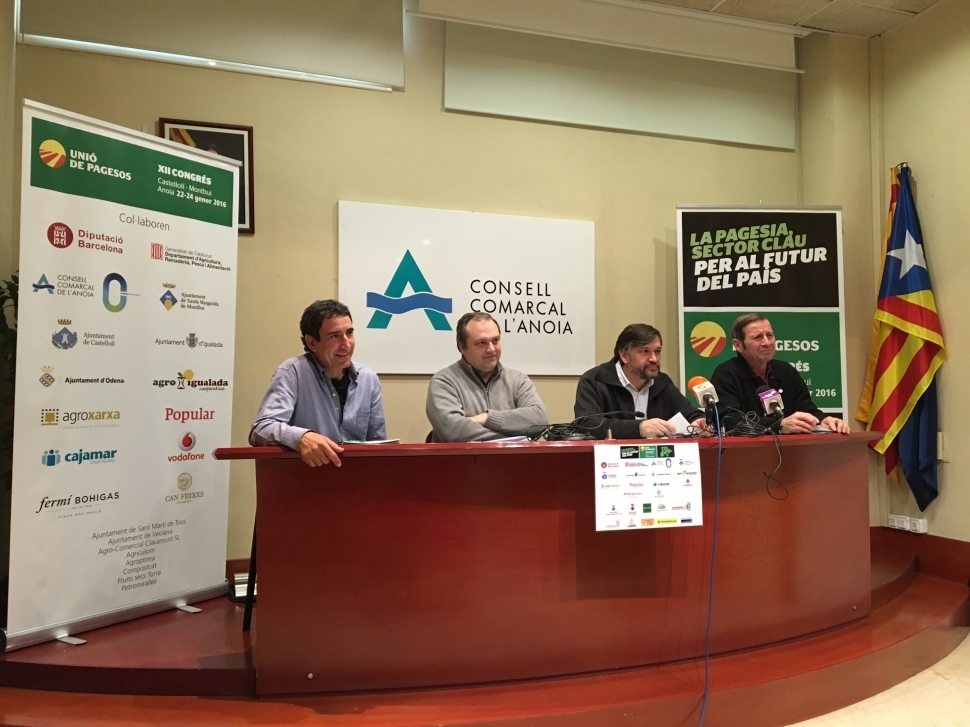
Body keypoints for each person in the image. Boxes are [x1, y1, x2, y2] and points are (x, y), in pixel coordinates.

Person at [250, 299, 386, 467]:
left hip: (356, 477)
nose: (346, 344)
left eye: (349, 333)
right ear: (312, 343)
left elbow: (379, 445)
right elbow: (261, 429)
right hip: (306, 477)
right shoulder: (292, 372)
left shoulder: (368, 378)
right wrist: (301, 437)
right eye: (335, 336)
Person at [710, 313, 850, 434]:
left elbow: (806, 410)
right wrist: (778, 426)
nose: (767, 342)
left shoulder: (786, 371)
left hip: (791, 452)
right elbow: (729, 422)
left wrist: (823, 420)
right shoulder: (726, 374)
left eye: (770, 335)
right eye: (758, 337)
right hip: (744, 453)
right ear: (738, 345)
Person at [426, 312, 548, 442]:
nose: (491, 349)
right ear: (461, 347)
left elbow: (540, 420)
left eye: (495, 340)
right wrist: (514, 438)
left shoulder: (518, 380)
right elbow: (454, 432)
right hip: (464, 456)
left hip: (512, 456)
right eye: (481, 343)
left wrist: (487, 418)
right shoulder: (444, 382)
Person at [574, 324, 705, 439]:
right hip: (610, 457)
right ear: (624, 356)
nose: (654, 359)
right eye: (645, 351)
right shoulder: (595, 380)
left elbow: (692, 414)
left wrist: (699, 422)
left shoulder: (662, 382)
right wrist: (639, 428)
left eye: (657, 351)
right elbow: (587, 424)